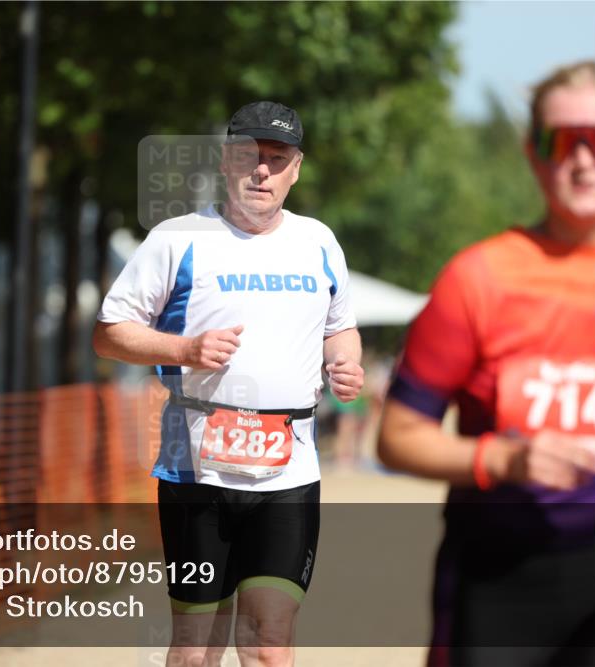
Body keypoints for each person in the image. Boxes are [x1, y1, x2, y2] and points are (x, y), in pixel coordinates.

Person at [378, 60, 595, 666]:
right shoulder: (477, 279)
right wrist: (503, 459)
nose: (583, 160)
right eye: (562, 141)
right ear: (533, 152)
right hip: (498, 575)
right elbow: (397, 438)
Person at [93, 101, 363, 666]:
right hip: (197, 469)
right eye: (249, 157)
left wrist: (344, 363)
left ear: (296, 168)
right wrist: (184, 348)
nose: (261, 171)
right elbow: (109, 333)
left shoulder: (318, 241)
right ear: (225, 161)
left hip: (289, 471)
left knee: (269, 643)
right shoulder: (178, 238)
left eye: (276, 158)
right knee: (197, 648)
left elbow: (341, 327)